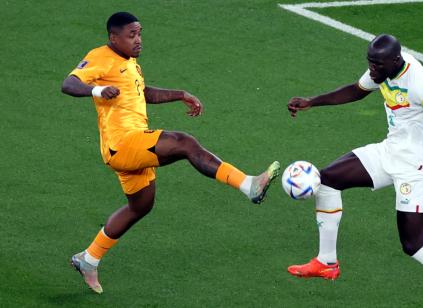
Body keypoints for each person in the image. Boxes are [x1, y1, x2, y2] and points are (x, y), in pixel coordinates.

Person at [61, 12, 280, 294]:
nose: (138, 40)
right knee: (184, 142)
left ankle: (88, 260)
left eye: (139, 33)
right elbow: (69, 84)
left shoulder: (130, 63)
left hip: (133, 145)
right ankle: (248, 185)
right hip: (123, 143)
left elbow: (142, 93)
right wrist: (98, 90)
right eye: (131, 35)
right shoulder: (100, 56)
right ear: (114, 37)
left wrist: (180, 94)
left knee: (141, 206)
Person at [286, 34, 423, 308]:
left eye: (376, 65)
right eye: (369, 63)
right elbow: (357, 90)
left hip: (418, 167)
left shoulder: (420, 85)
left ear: (395, 61)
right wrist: (311, 102)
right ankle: (326, 262)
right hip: (391, 151)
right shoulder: (382, 70)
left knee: (414, 244)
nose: (371, 70)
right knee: (327, 180)